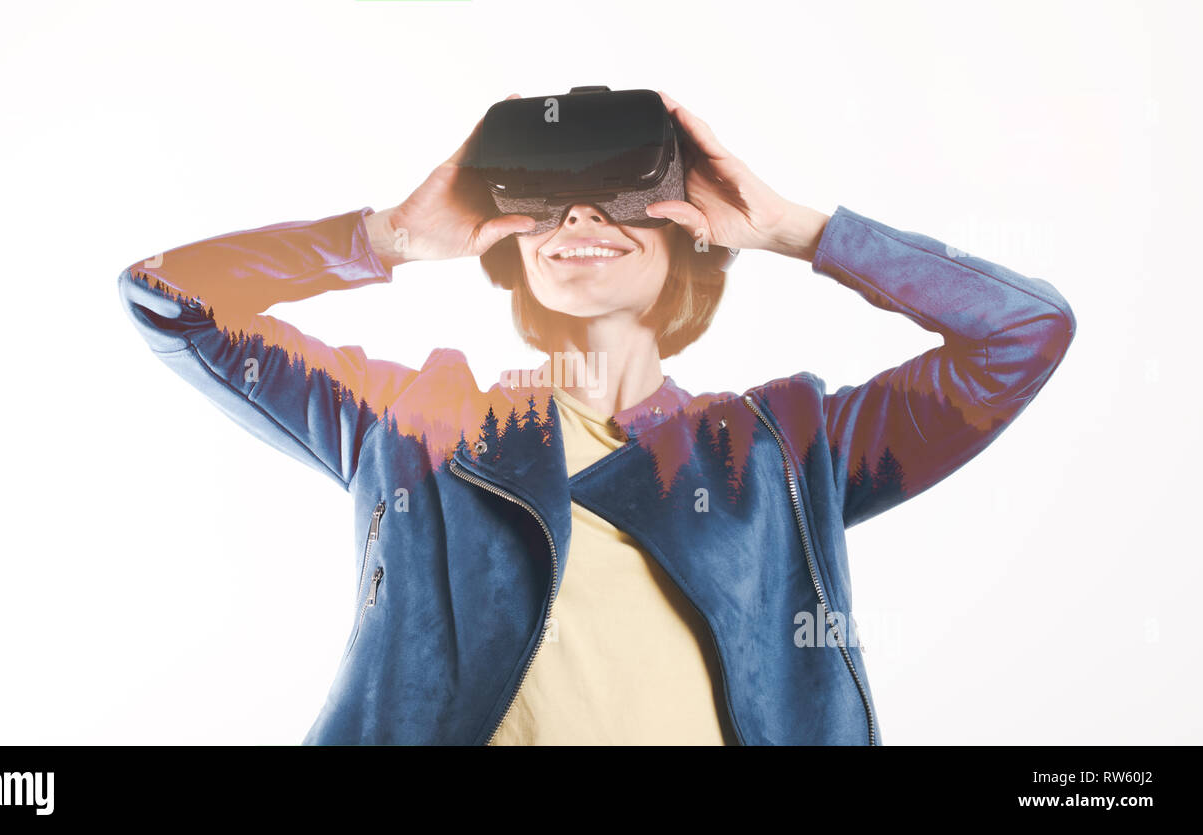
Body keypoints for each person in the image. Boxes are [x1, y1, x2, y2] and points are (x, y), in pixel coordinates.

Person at [117, 91, 1076, 745]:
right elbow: (167, 298)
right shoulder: (413, 426)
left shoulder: (784, 449)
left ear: (689, 239)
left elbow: (1023, 333)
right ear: (512, 248)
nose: (580, 221)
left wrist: (795, 227)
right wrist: (387, 238)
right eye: (551, 207)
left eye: (621, 201)